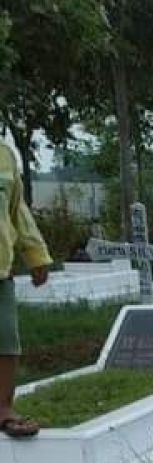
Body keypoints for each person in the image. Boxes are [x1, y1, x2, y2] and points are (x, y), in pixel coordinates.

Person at [0, 142, 52, 438]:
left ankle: (3, 409)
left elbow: (17, 211)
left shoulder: (4, 155)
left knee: (6, 340)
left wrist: (36, 255)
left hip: (1, 270)